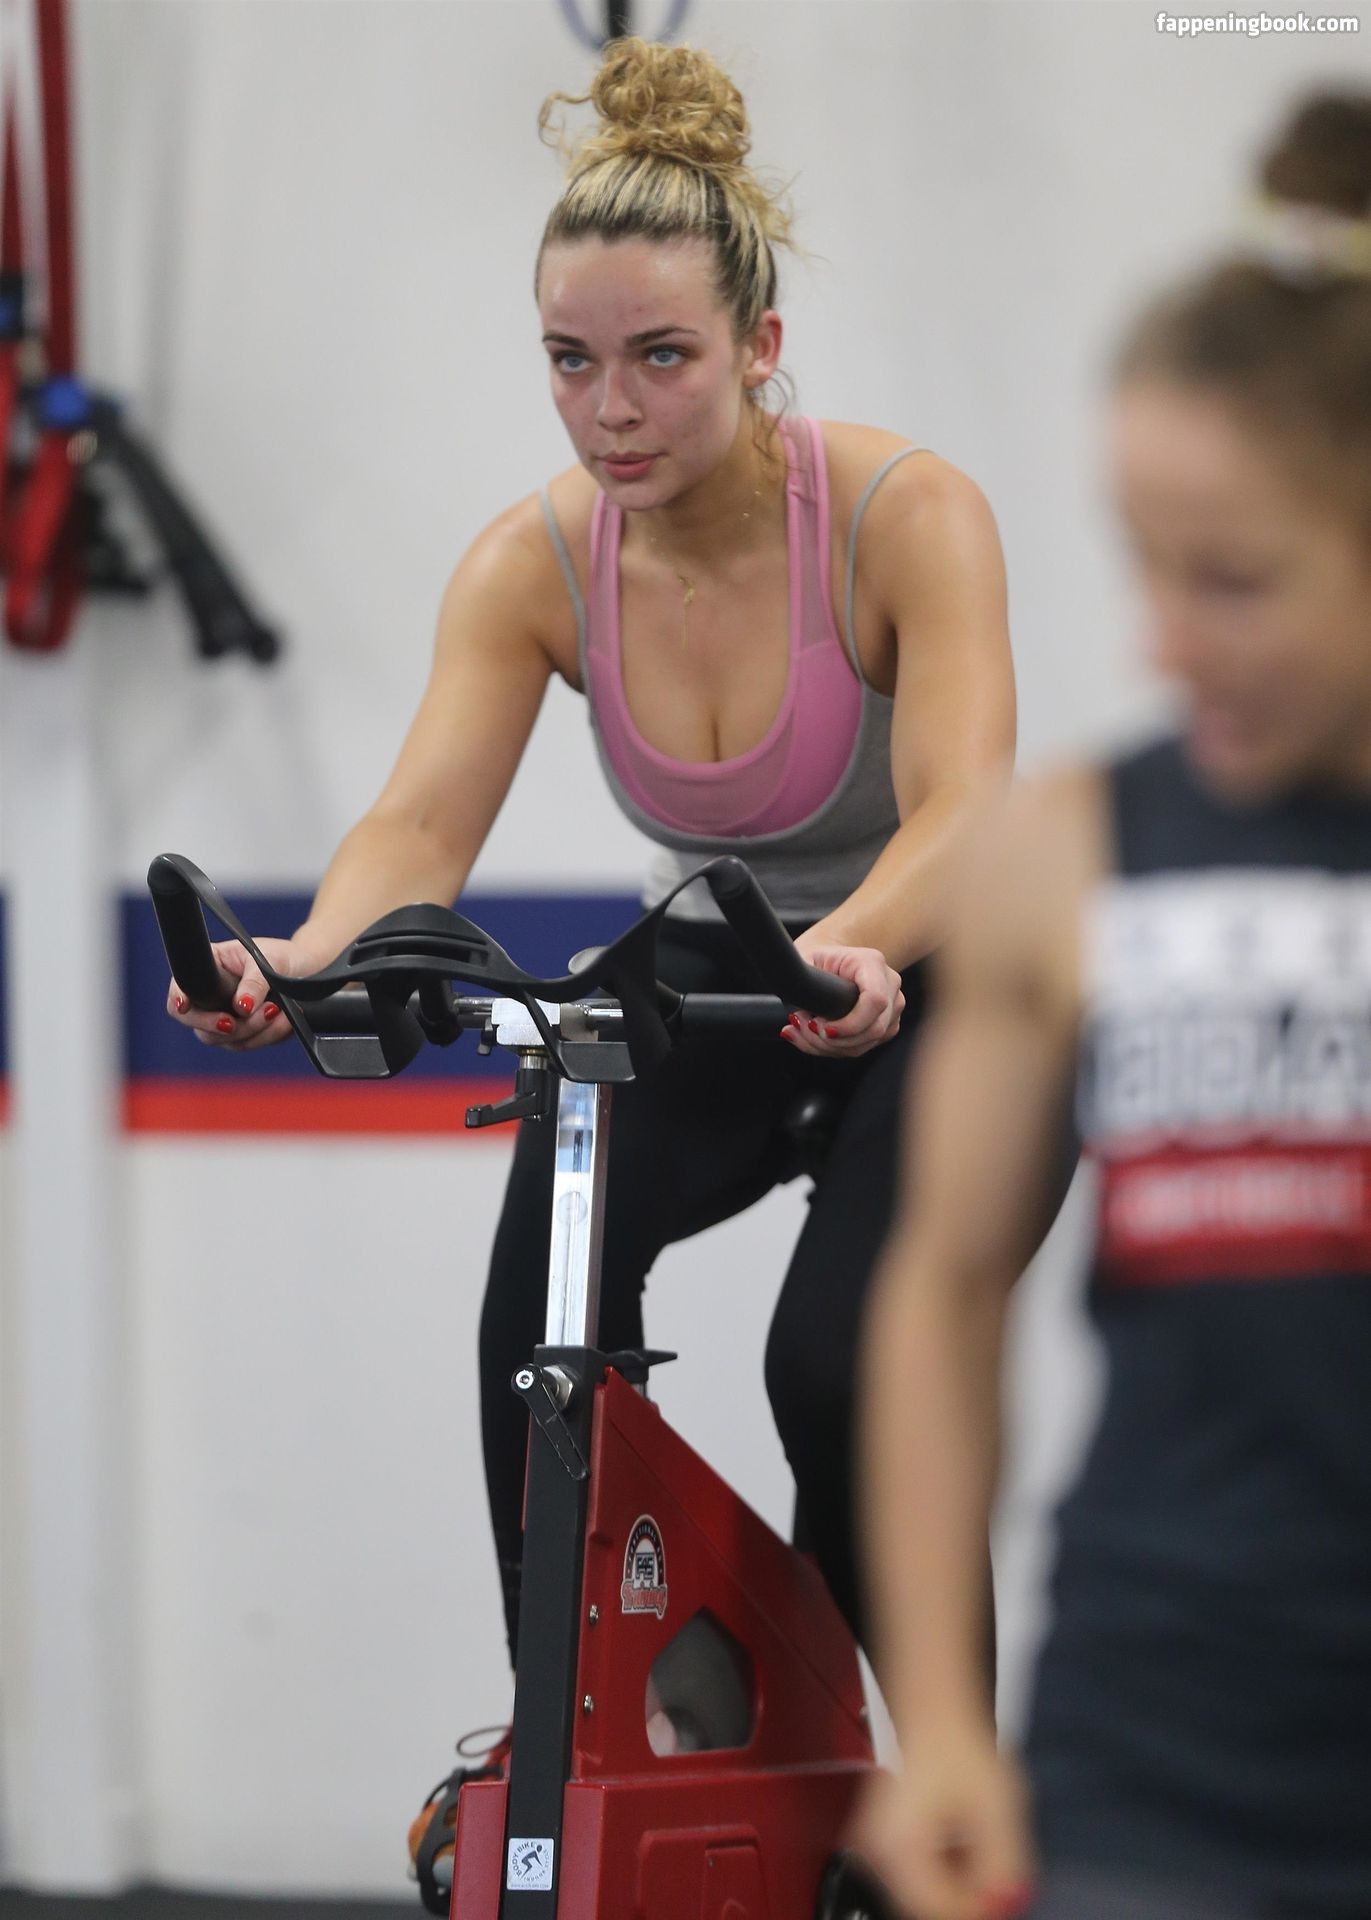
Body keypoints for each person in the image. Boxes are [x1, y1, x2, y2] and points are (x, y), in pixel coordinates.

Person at [165, 34, 1013, 1900]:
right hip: (731, 976)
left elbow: (970, 808)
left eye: (660, 358)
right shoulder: (531, 565)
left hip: (945, 975)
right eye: (569, 360)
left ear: (761, 344)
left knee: (835, 1366)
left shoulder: (903, 515)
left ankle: (952, 1806)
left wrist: (857, 947)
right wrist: (298, 963)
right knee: (537, 1301)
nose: (609, 411)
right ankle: (564, 1739)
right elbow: (415, 828)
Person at [855, 89, 1371, 1920]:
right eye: (1143, 563)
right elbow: (942, 1289)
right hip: (1154, 1743)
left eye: (1233, 580)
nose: (1161, 639)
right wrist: (942, 1720)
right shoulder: (1065, 852)